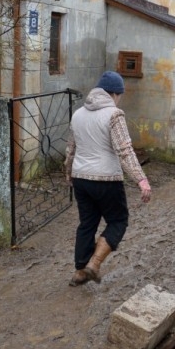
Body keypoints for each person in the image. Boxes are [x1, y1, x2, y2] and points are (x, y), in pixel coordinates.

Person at [64, 71, 152, 286]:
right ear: (115, 93)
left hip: (81, 178)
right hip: (107, 179)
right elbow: (124, 150)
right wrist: (141, 179)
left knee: (87, 224)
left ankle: (79, 271)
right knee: (118, 220)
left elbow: (70, 149)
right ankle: (94, 264)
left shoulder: (78, 114)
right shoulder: (114, 114)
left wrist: (68, 172)